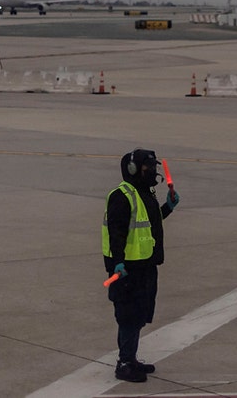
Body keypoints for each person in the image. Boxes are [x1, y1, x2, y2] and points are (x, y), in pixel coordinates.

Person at [102, 148, 179, 383]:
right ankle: (124, 363)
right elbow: (116, 232)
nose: (153, 171)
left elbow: (148, 222)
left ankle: (131, 358)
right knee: (128, 316)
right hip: (127, 269)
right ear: (133, 169)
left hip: (145, 265)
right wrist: (117, 262)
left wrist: (167, 207)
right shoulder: (122, 196)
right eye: (148, 167)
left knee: (139, 315)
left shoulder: (145, 193)